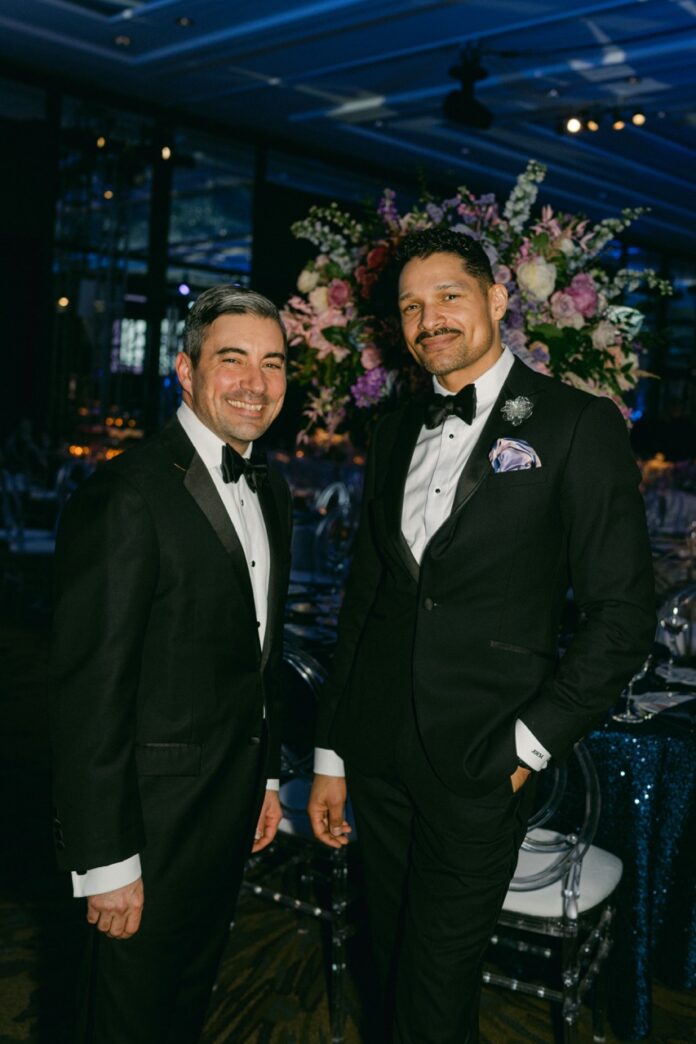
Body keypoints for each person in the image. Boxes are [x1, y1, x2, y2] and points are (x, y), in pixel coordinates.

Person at [307, 228, 655, 1043]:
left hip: (485, 761)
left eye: (449, 298)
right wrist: (332, 754)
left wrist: (528, 746)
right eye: (411, 308)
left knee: (431, 993)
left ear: (499, 300)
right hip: (381, 753)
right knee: (389, 966)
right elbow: (368, 601)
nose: (430, 320)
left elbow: (624, 617)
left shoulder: (575, 425)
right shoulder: (393, 427)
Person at [50, 286, 292, 1043]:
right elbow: (89, 693)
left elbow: (259, 654)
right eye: (232, 359)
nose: (256, 382)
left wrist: (268, 777)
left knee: (184, 1007)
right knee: (120, 1021)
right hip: (144, 831)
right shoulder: (126, 494)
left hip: (227, 811)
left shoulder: (273, 486)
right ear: (185, 371)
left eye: (273, 363)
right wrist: (106, 860)